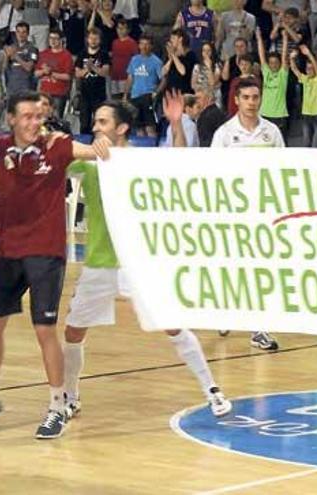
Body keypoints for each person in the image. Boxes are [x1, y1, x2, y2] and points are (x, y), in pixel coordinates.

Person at [63, 94, 231, 422]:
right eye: (95, 121)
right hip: (99, 262)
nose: (95, 127)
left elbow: (177, 164)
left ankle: (211, 389)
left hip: (137, 261)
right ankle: (70, 396)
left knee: (172, 325)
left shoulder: (138, 160)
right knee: (73, 331)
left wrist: (175, 125)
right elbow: (60, 156)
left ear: (122, 128)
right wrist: (81, 147)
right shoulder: (89, 160)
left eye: (103, 122)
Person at [0, 91, 111, 440]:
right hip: (8, 252)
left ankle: (57, 406)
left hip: (45, 253)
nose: (33, 122)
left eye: (37, 116)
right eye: (25, 116)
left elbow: (89, 151)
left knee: (44, 330)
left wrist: (101, 145)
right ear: (10, 119)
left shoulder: (56, 146)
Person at [210, 77, 283, 350]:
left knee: (260, 269)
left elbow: (284, 168)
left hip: (264, 210)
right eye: (247, 98)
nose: (252, 102)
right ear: (237, 100)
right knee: (232, 266)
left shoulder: (272, 132)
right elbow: (213, 173)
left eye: (256, 97)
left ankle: (258, 329)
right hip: (233, 210)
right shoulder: (225, 134)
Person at [124, 33, 162, 137]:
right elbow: (130, 78)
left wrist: (156, 92)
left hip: (148, 97)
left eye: (147, 44)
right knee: (138, 129)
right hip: (135, 96)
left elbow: (164, 79)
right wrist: (125, 95)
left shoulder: (157, 61)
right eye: (142, 44)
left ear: (151, 46)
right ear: (139, 45)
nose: (144, 47)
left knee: (150, 128)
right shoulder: (134, 60)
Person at [75, 28, 111, 135]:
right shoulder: (82, 54)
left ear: (100, 40)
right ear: (87, 40)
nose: (93, 41)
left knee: (99, 121)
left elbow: (105, 72)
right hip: (84, 93)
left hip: (99, 94)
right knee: (84, 122)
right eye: (91, 38)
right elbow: (77, 73)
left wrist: (93, 67)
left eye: (96, 38)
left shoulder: (104, 55)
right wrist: (87, 69)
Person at [255, 28, 289, 138]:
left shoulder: (282, 75)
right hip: (264, 114)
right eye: (271, 63)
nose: (273, 65)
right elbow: (261, 56)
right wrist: (259, 38)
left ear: (279, 64)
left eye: (276, 63)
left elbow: (284, 56)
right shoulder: (266, 73)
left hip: (279, 116)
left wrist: (285, 38)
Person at [290, 44, 317, 147]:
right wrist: (292, 58)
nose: (309, 70)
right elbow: (294, 69)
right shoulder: (305, 79)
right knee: (306, 142)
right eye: (307, 68)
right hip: (306, 113)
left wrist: (309, 54)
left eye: (311, 68)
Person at [35, 28, 73, 118]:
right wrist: (44, 71)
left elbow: (68, 76)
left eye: (55, 38)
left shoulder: (66, 55)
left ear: (61, 40)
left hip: (59, 94)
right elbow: (36, 73)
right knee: (42, 119)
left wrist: (51, 73)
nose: (53, 41)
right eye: (51, 38)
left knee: (56, 119)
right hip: (44, 93)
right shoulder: (43, 54)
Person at [4, 22, 39, 96]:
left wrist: (15, 56)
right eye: (18, 32)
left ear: (28, 33)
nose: (21, 35)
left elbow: (29, 68)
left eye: (23, 32)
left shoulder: (32, 48)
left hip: (25, 85)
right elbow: (5, 67)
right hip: (12, 85)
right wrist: (7, 56)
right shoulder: (12, 46)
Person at [109, 19, 138, 99]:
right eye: (118, 28)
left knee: (126, 99)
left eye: (123, 28)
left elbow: (136, 60)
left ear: (128, 30)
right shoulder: (114, 42)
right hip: (115, 76)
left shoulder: (132, 43)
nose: (120, 31)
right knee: (115, 100)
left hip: (126, 77)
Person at [163, 29, 198, 95]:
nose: (171, 40)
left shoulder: (190, 55)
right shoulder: (171, 55)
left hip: (184, 92)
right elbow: (163, 72)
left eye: (173, 38)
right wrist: (171, 59)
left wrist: (173, 55)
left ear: (180, 39)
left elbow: (183, 71)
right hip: (171, 93)